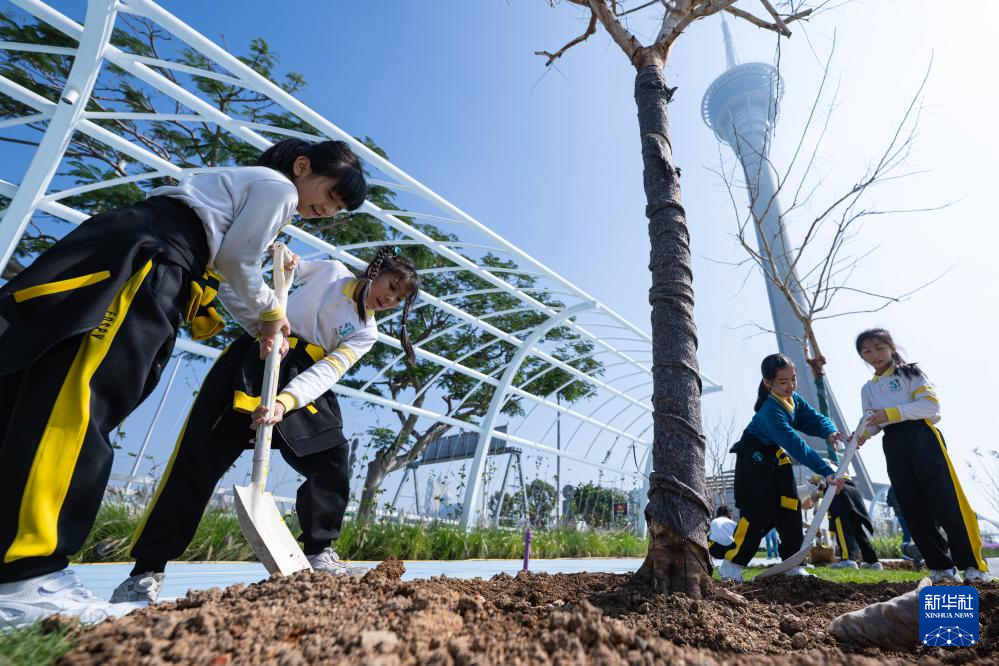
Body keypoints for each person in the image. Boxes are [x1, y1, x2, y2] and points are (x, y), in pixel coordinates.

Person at [0, 138, 366, 628]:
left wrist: (263, 325)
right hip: (148, 261)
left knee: (36, 393)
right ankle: (28, 574)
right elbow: (240, 263)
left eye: (338, 209)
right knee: (83, 403)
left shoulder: (242, 194)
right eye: (331, 193)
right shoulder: (277, 188)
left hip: (146, 256)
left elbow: (231, 273)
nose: (328, 210)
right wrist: (272, 312)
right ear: (303, 166)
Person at [109, 246, 419, 603]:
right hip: (257, 353)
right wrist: (283, 259)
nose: (390, 298)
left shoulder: (367, 333)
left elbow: (328, 371)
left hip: (302, 381)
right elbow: (287, 270)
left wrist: (285, 402)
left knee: (331, 454)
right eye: (391, 286)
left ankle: (319, 552)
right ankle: (147, 571)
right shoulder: (331, 272)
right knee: (197, 460)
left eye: (399, 298)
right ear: (375, 271)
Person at [855, 328, 989, 583]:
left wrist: (891, 413)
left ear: (892, 348)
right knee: (911, 506)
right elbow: (872, 422)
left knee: (948, 501)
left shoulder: (910, 373)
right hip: (893, 443)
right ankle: (941, 567)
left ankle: (974, 565)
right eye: (867, 352)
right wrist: (860, 435)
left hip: (922, 437)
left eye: (879, 348)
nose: (875, 355)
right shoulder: (867, 389)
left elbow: (931, 406)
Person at [718, 353, 845, 582]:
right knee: (760, 507)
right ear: (768, 383)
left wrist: (830, 432)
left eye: (793, 379)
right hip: (754, 453)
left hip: (774, 453)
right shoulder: (771, 411)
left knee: (790, 503)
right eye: (783, 382)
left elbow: (813, 419)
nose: (790, 386)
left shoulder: (794, 400)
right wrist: (826, 470)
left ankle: (792, 563)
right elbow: (797, 446)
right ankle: (732, 563)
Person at [825, 475, 882, 571]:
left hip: (838, 488)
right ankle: (872, 562)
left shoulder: (821, 472)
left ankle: (847, 560)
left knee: (841, 527)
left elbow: (816, 492)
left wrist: (817, 493)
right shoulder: (835, 466)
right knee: (858, 530)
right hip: (853, 489)